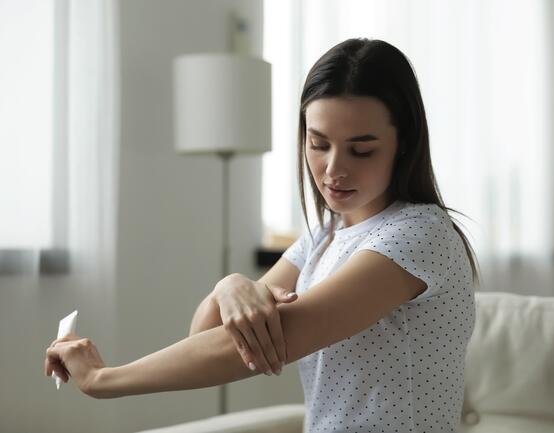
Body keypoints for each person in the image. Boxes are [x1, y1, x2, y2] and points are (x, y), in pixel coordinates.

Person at [44, 38, 480, 432]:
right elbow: (207, 336)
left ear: (404, 143)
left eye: (361, 150)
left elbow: (262, 345)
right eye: (318, 143)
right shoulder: (324, 236)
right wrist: (230, 287)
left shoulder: (420, 235)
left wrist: (102, 379)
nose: (333, 169)